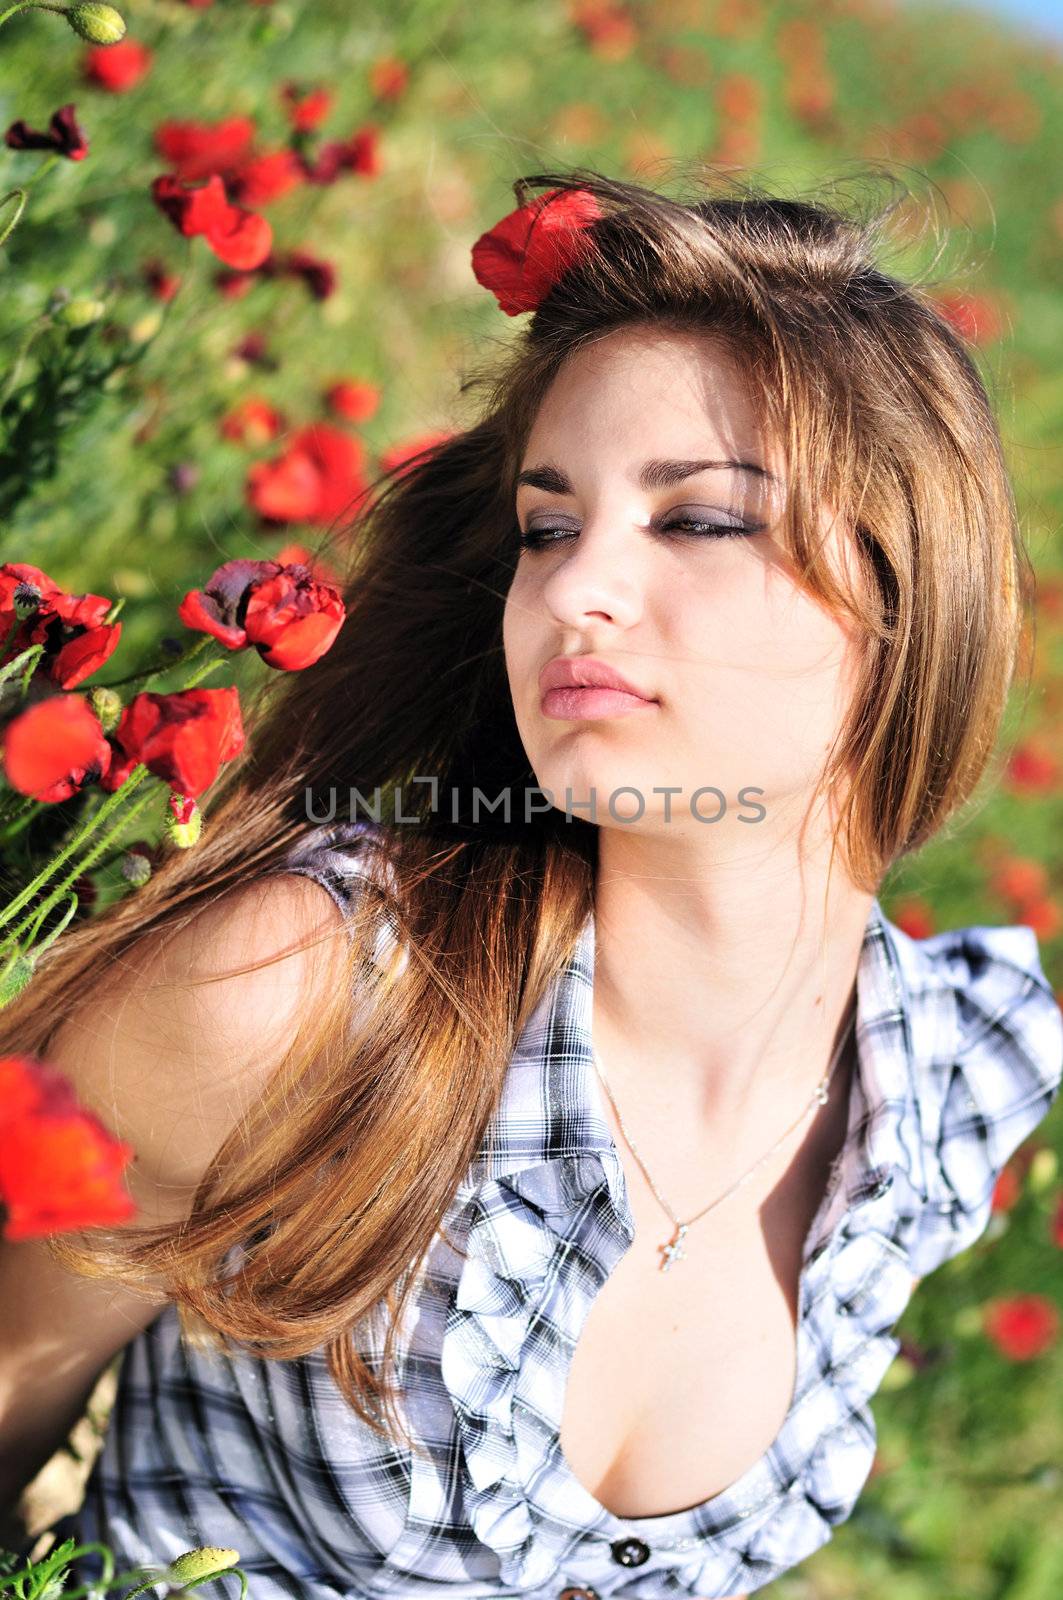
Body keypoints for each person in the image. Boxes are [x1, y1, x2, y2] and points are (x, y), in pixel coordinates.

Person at [2, 166, 1061, 1600]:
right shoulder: (299, 1000)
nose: (572, 592)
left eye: (695, 520)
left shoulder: (953, 1080)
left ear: (905, 596)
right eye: (549, 528)